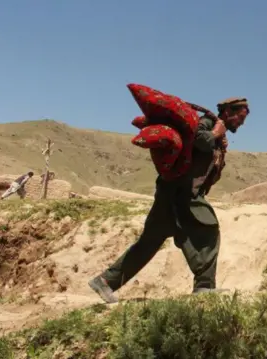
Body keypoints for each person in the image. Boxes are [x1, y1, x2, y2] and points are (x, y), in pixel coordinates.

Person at [88, 97, 250, 303]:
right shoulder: (208, 123)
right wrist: (216, 133)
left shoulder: (217, 131)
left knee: (150, 242)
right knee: (208, 230)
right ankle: (204, 287)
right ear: (227, 112)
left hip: (170, 192)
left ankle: (105, 282)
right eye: (240, 117)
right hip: (182, 193)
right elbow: (199, 140)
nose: (241, 123)